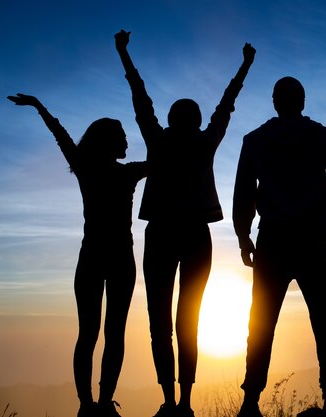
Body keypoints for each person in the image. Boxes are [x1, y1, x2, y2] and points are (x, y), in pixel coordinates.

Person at [114, 29, 255, 417]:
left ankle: (171, 402)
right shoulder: (204, 142)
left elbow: (140, 100)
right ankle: (184, 403)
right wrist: (244, 66)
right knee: (185, 320)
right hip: (195, 235)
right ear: (193, 120)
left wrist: (124, 55)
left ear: (174, 119)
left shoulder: (159, 142)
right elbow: (225, 107)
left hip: (161, 233)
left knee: (161, 320)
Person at [7, 94, 147, 417]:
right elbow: (164, 157)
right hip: (117, 261)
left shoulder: (93, 169)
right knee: (110, 334)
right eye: (122, 134)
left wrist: (40, 106)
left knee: (92, 333)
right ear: (109, 141)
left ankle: (90, 405)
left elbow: (62, 136)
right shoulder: (126, 174)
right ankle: (98, 404)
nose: (127, 139)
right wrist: (40, 106)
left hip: (94, 259)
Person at [233, 75, 326, 417]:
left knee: (260, 321)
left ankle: (250, 401)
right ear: (302, 101)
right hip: (312, 237)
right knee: (324, 321)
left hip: (272, 238)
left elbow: (243, 193)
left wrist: (243, 236)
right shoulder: (319, 135)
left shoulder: (255, 139)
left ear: (275, 101)